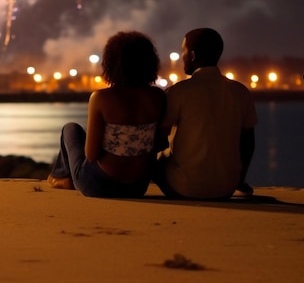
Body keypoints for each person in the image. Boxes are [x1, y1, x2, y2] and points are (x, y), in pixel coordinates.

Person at [48, 31, 166, 198]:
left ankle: (61, 176)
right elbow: (158, 143)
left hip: (98, 186)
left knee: (71, 129)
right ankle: (63, 176)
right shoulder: (158, 97)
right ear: (150, 62)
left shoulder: (101, 98)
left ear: (111, 63)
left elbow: (91, 155)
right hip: (137, 187)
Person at [153, 28, 257, 200]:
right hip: (226, 188)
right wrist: (239, 180)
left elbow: (158, 138)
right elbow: (248, 142)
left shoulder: (177, 92)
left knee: (155, 158)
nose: (182, 57)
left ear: (192, 55)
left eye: (183, 51)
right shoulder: (240, 91)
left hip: (184, 188)